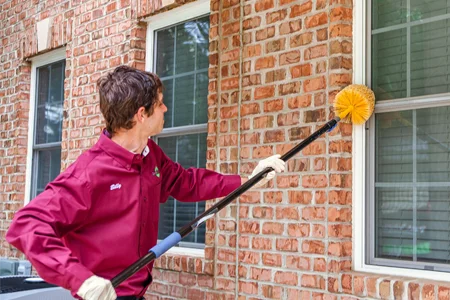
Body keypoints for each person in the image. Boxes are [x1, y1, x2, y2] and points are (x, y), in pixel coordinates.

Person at [6, 65, 286, 300]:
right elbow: (27, 225)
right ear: (141, 114)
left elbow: (185, 182)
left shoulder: (150, 156)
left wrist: (248, 180)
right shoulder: (89, 174)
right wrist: (81, 280)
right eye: (160, 103)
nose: (165, 108)